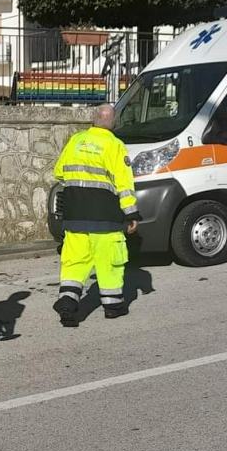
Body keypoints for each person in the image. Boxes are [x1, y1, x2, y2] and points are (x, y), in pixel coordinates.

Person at [52, 104, 140, 327]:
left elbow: (59, 172)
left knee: (74, 263)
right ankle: (113, 307)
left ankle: (68, 302)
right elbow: (124, 184)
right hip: (105, 217)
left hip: (75, 216)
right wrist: (131, 214)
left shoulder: (76, 140)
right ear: (113, 122)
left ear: (93, 119)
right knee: (109, 262)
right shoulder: (115, 145)